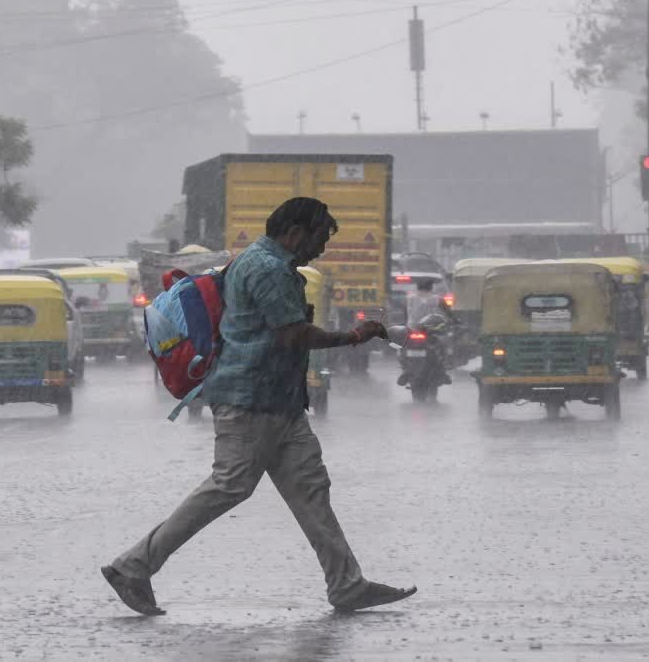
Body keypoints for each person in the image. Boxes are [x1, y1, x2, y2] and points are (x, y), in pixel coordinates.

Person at [101, 197, 417, 616]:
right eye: (320, 237)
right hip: (250, 400)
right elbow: (292, 334)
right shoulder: (268, 270)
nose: (321, 248)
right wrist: (354, 337)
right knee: (228, 486)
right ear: (295, 233)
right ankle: (133, 566)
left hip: (280, 402)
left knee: (310, 492)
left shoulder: (261, 262)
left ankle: (346, 584)